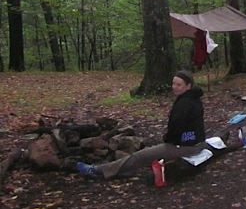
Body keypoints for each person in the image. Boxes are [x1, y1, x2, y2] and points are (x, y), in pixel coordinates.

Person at [76, 70, 210, 179]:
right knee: (150, 152)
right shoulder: (193, 99)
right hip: (195, 143)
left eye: (179, 85)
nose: (174, 87)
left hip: (187, 146)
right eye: (173, 84)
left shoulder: (185, 103)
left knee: (139, 156)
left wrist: (168, 140)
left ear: (188, 86)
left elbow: (176, 128)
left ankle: (98, 171)